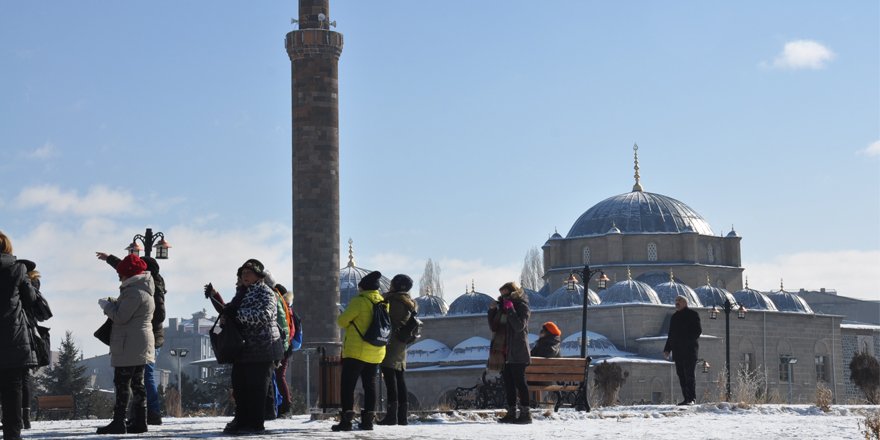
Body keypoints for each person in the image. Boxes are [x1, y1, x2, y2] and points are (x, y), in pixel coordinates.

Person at [95, 251, 166, 425]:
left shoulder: (134, 291)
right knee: (138, 383)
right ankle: (140, 421)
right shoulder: (144, 287)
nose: (119, 277)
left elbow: (120, 317)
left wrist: (106, 306)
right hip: (141, 342)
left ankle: (119, 421)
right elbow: (127, 267)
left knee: (123, 383)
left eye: (121, 274)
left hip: (130, 343)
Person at [218, 259, 284, 435]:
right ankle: (241, 420)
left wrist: (238, 315)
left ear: (258, 276)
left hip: (262, 348)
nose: (245, 276)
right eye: (243, 273)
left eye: (249, 273)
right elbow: (233, 312)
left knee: (257, 388)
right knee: (240, 386)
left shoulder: (266, 292)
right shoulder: (242, 293)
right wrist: (227, 317)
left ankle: (254, 423)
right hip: (244, 349)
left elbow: (265, 315)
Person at [332, 271, 387, 432]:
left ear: (363, 288)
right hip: (376, 351)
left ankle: (346, 421)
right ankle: (368, 421)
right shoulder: (383, 303)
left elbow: (342, 321)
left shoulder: (359, 301)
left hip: (356, 351)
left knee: (347, 386)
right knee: (370, 386)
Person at [0, 231, 38, 440]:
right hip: (13, 338)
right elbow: (30, 299)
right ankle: (12, 435)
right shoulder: (17, 269)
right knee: (12, 390)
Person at [488, 281, 531, 424]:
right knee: (508, 384)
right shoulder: (503, 307)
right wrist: (492, 311)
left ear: (512, 293)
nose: (503, 297)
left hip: (518, 351)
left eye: (505, 294)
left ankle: (526, 414)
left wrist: (511, 309)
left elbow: (519, 326)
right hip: (503, 352)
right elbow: (494, 327)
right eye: (501, 295)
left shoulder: (521, 306)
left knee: (520, 382)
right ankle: (511, 412)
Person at [18, 259, 53, 430]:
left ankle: (19, 417)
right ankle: (24, 418)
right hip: (29, 335)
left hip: (21, 332)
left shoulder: (25, 285)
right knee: (24, 379)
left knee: (17, 378)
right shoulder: (34, 285)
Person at [377, 274, 416, 426]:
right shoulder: (408, 302)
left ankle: (392, 416)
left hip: (391, 343)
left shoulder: (394, 301)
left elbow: (387, 319)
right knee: (400, 378)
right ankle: (402, 416)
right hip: (401, 343)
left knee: (390, 378)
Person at [663, 295, 703, 405]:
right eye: (676, 301)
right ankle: (686, 398)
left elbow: (697, 331)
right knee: (681, 376)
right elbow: (671, 335)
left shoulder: (693, 315)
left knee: (689, 375)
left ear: (685, 303)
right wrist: (667, 349)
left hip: (689, 352)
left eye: (679, 301)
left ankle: (691, 399)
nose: (677, 303)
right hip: (678, 352)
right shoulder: (674, 317)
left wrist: (686, 341)